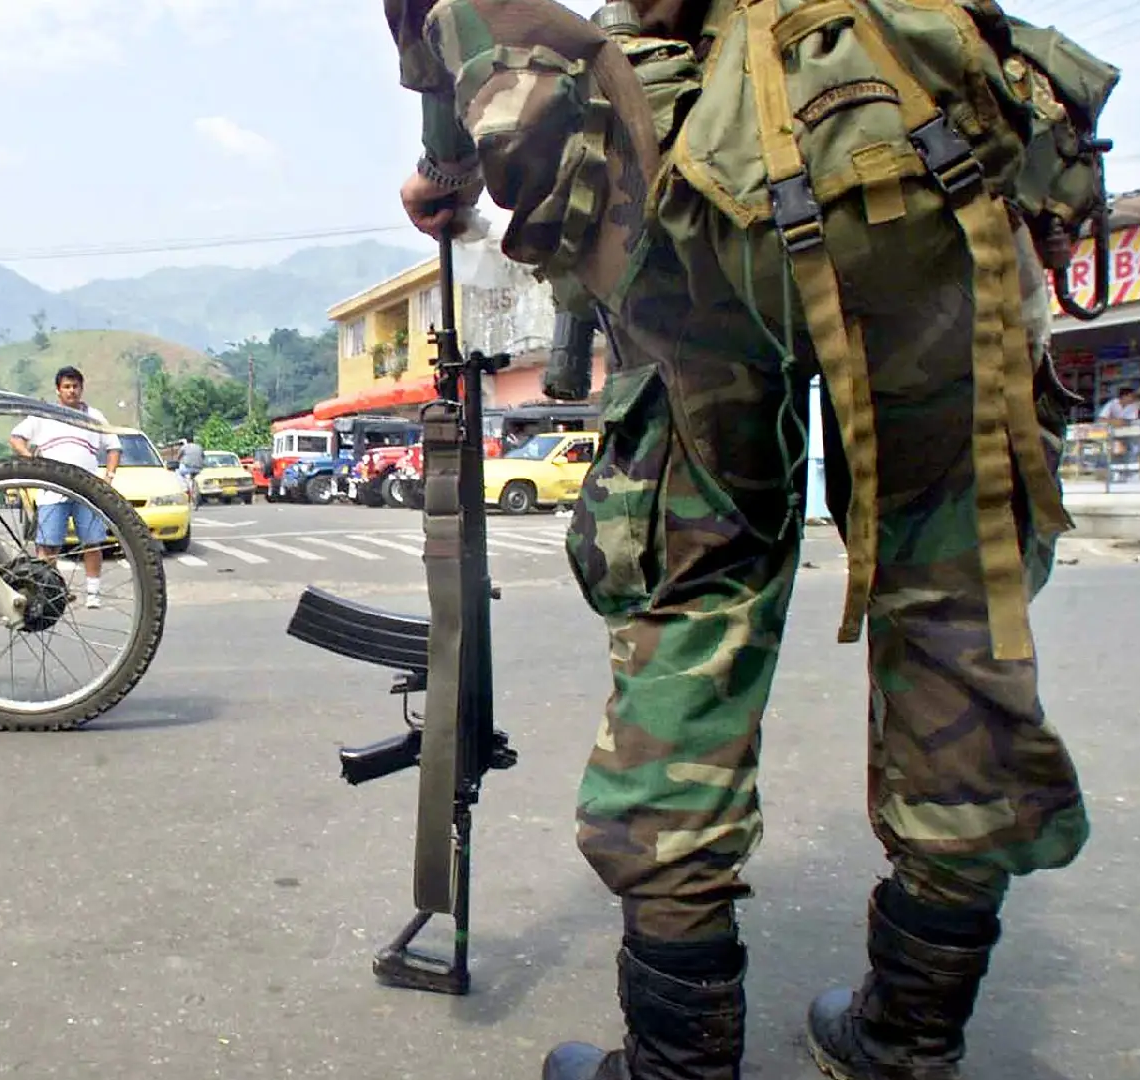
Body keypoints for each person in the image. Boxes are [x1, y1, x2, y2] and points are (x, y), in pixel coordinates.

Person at [384, 3, 1091, 1078]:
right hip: (926, 168)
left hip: (699, 212)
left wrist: (445, 164)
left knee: (691, 600)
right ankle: (908, 1040)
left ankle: (680, 1067)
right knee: (958, 603)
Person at [8, 367, 120, 610]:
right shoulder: (44, 415)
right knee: (48, 546)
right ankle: (51, 592)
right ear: (58, 390)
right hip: (52, 489)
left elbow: (113, 446)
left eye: (75, 386)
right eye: (67, 387)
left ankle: (93, 593)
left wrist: (109, 476)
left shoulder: (94, 416)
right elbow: (16, 437)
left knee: (93, 542)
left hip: (87, 490)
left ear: (82, 388)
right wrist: (30, 458)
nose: (72, 391)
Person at [177, 436, 206, 502]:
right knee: (193, 477)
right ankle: (194, 487)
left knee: (178, 472)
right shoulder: (199, 447)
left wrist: (179, 460)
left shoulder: (184, 447)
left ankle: (185, 488)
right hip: (199, 468)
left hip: (188, 468)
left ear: (186, 441)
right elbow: (203, 456)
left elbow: (178, 457)